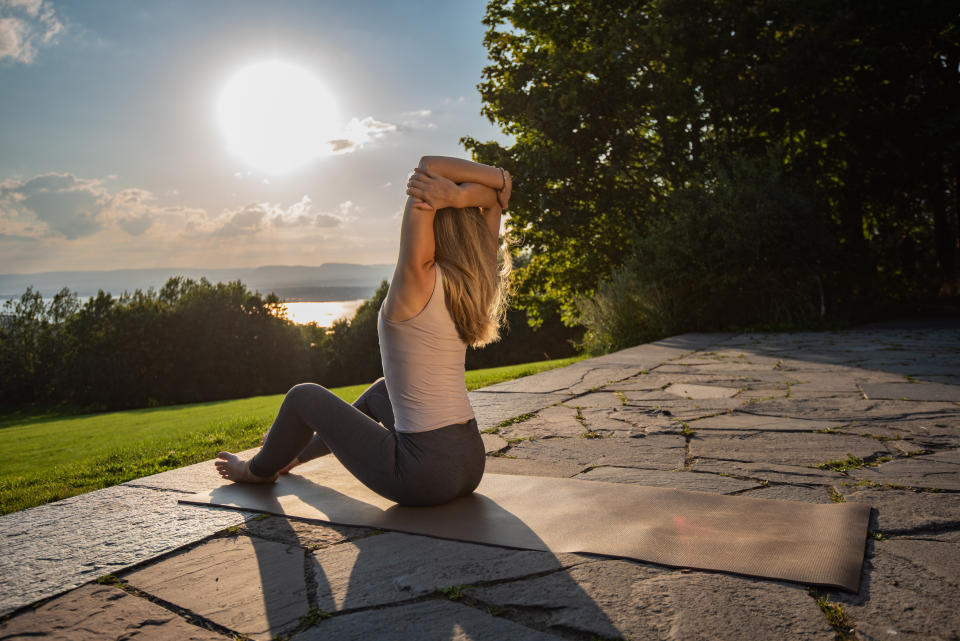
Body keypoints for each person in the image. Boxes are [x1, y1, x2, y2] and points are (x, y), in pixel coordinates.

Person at [214, 156, 512, 506]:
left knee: (303, 396)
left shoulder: (417, 279)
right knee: (380, 392)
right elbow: (494, 201)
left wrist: (457, 193)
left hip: (423, 474)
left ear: (435, 219)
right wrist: (484, 189)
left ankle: (255, 472)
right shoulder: (474, 281)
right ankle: (294, 457)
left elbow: (428, 167)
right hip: (469, 461)